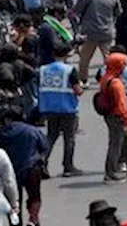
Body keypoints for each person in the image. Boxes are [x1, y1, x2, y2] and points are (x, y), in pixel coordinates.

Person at [36, 43, 84, 176]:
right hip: (68, 108)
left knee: (51, 136)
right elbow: (78, 91)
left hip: (49, 108)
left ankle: (42, 161)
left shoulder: (43, 69)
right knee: (69, 138)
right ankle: (68, 167)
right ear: (67, 54)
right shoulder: (69, 70)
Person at [0, 113, 51, 226]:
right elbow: (45, 147)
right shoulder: (32, 130)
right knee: (35, 196)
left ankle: (15, 222)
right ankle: (33, 220)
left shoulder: (2, 133)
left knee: (14, 200)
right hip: (32, 169)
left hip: (11, 170)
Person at [98, 52, 127, 183]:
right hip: (117, 116)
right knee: (116, 144)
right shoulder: (116, 83)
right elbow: (122, 104)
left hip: (111, 115)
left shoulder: (106, 77)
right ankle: (110, 173)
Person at [74, 0, 121, 81]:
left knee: (84, 59)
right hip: (107, 31)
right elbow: (118, 13)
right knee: (109, 58)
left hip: (90, 33)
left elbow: (75, 12)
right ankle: (112, 78)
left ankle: (83, 80)